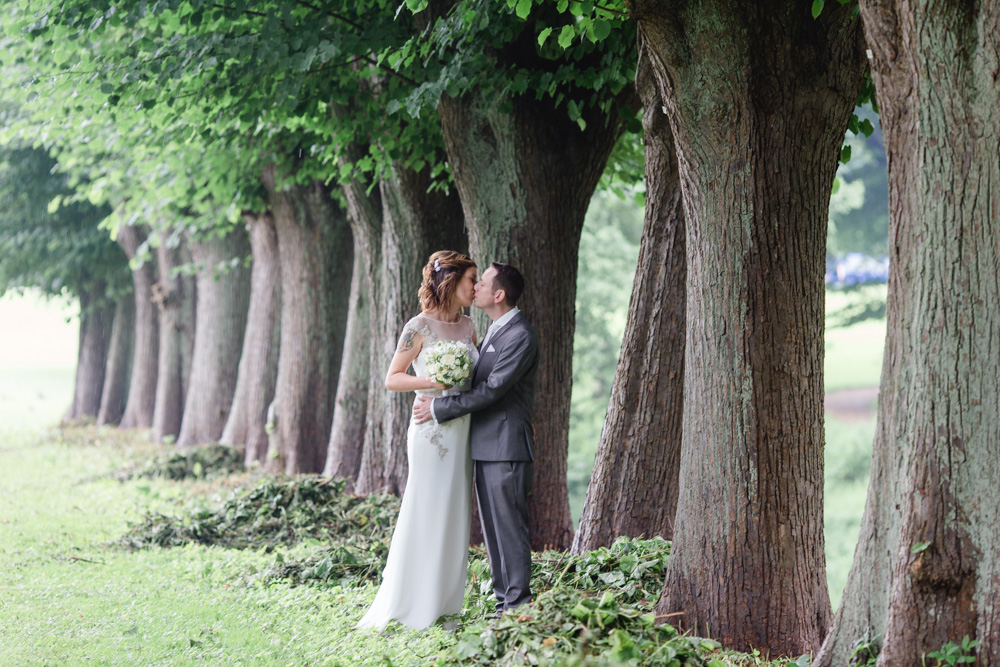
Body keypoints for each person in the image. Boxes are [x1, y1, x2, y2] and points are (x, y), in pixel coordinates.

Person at [356, 250, 479, 631]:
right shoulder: (418, 326)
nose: (475, 287)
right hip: (430, 431)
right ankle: (411, 603)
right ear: (450, 282)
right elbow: (393, 377)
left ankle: (445, 605)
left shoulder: (469, 327)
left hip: (463, 429)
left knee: (455, 512)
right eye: (471, 279)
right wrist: (431, 382)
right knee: (426, 506)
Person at [413, 262, 539, 616]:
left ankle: (517, 607)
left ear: (499, 295)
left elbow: (493, 389)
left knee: (509, 530)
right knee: (493, 532)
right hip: (485, 445)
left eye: (482, 282)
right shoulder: (495, 331)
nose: (476, 287)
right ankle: (503, 606)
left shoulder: (520, 335)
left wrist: (439, 408)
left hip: (506, 446)